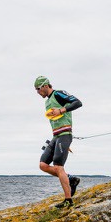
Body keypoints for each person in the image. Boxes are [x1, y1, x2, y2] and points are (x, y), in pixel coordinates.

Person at [34, 76, 83, 208]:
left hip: (65, 134)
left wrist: (61, 110)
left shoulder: (58, 93)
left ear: (45, 86)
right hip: (56, 136)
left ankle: (68, 200)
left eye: (38, 89)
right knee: (43, 165)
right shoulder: (47, 102)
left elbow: (78, 102)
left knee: (58, 167)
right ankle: (71, 179)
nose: (37, 92)